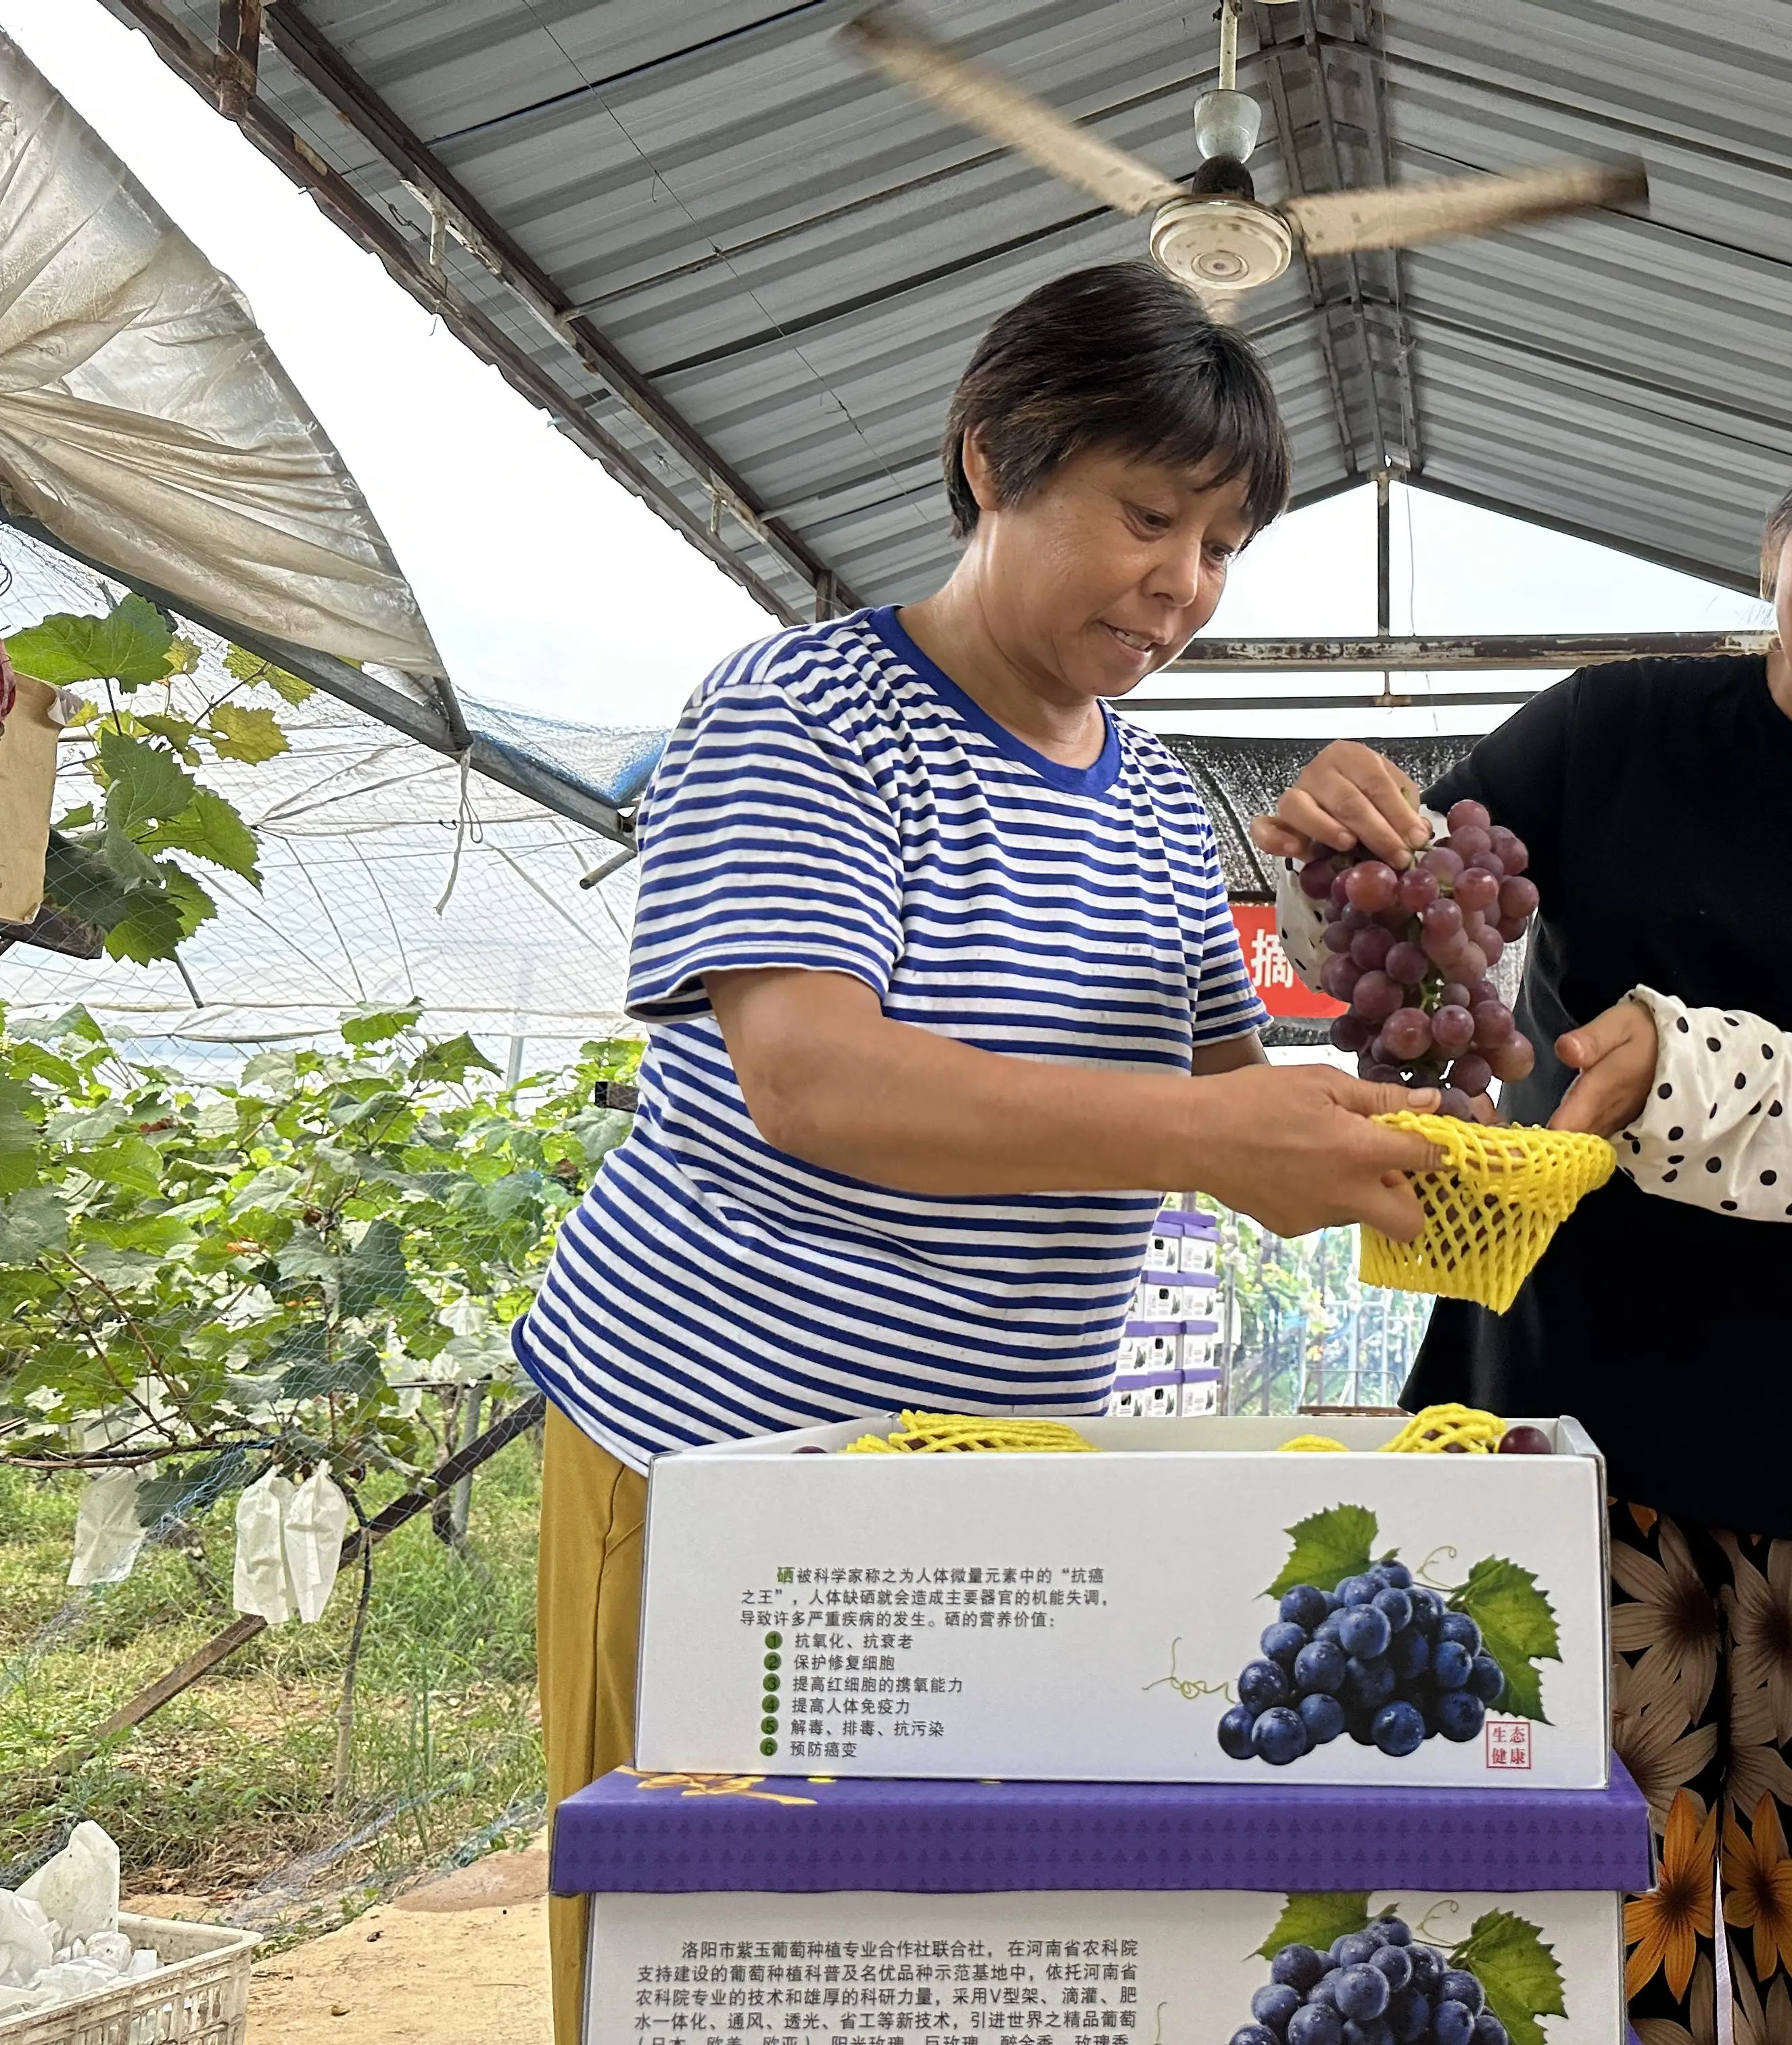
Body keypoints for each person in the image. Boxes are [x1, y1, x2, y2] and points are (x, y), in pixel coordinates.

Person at [513, 263, 1440, 2045]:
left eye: (1225, 542)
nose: (1182, 583)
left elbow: (1220, 1085)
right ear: (992, 465)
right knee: (689, 1958)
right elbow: (813, 1079)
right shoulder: (805, 713)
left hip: (979, 1500)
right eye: (1145, 516)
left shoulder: (1162, 803)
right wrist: (1219, 1132)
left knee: (905, 1963)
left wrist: (1370, 992)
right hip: (709, 1463)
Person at [1254, 334, 1792, 2045]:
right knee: (1564, 1960)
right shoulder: (1616, 726)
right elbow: (1419, 945)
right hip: (1567, 1445)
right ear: (1789, 520)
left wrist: (1679, 1057)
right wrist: (1334, 866)